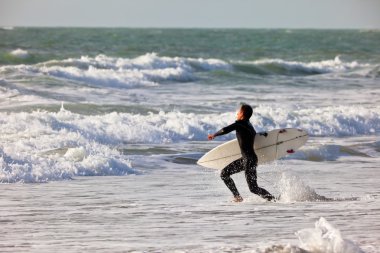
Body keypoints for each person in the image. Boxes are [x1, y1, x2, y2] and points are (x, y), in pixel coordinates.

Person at [208, 103, 275, 202]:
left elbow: (225, 129)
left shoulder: (240, 124)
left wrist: (214, 135)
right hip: (249, 159)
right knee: (225, 174)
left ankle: (272, 199)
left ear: (242, 113)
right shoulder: (250, 126)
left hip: (248, 160)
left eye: (239, 111)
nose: (237, 113)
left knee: (252, 188)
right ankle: (271, 199)